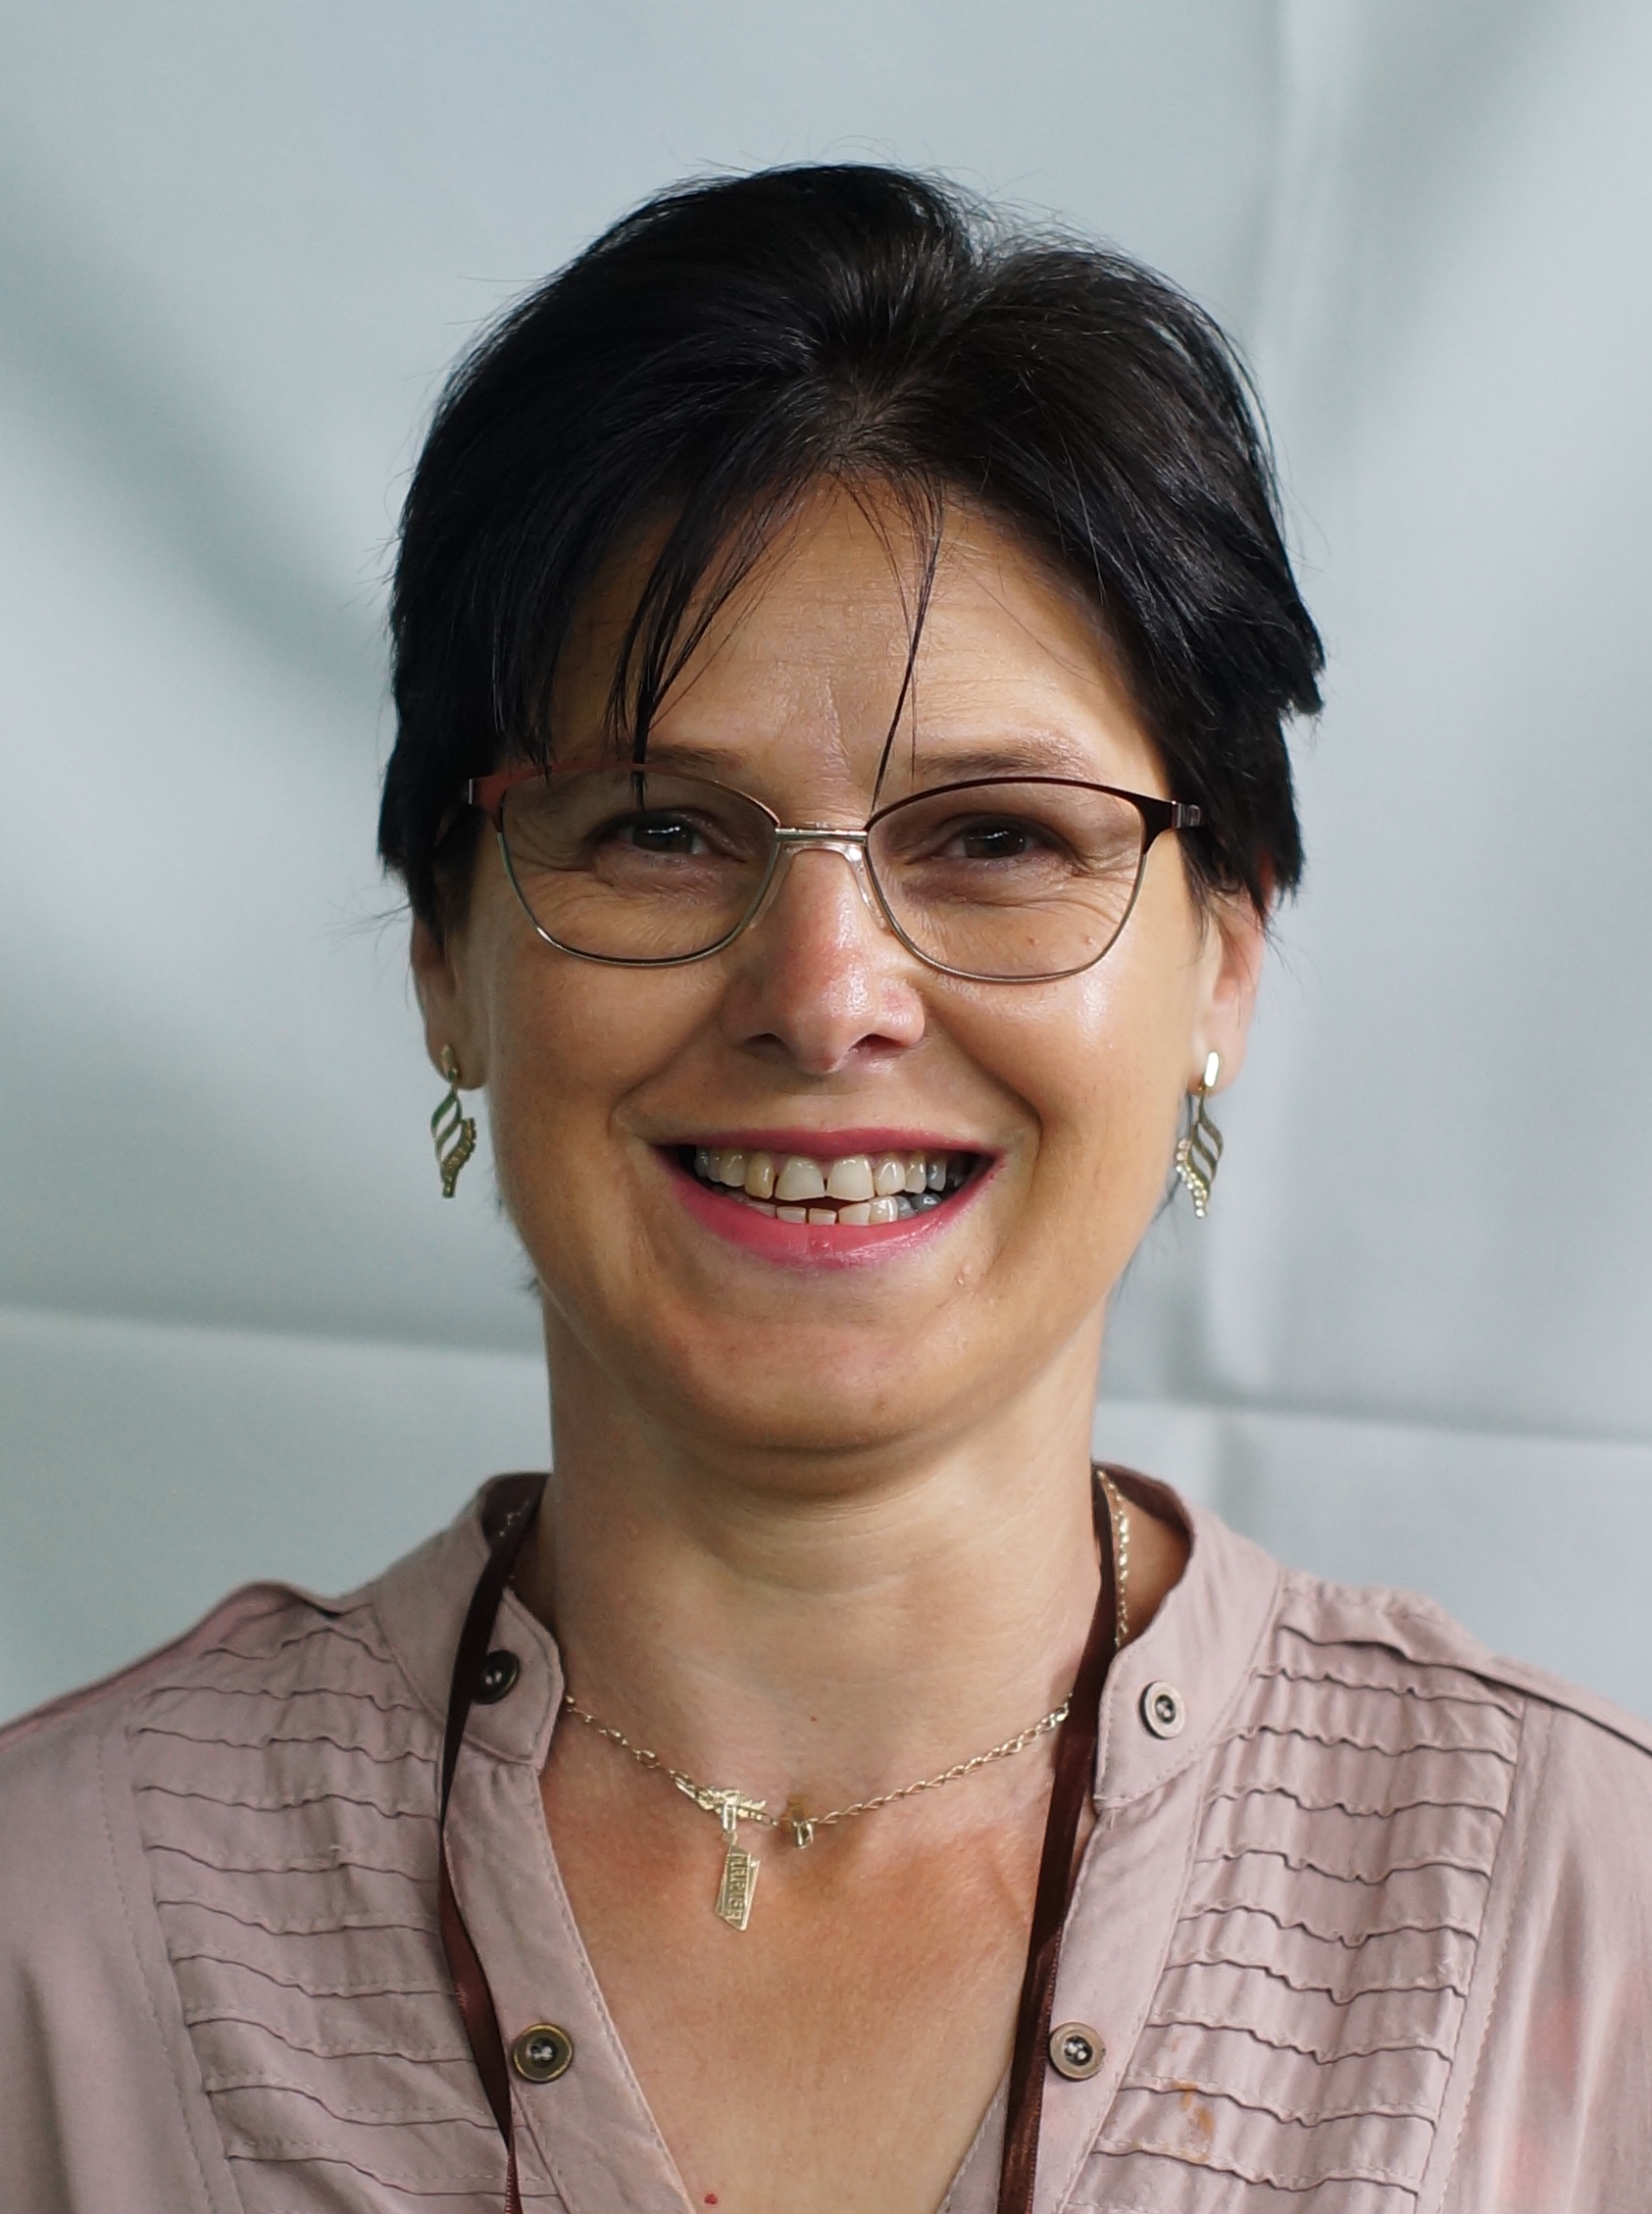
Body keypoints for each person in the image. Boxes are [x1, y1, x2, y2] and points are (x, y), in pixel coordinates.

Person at [2, 163, 1648, 2214]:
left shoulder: (1584, 1915)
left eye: (998, 836)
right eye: (659, 827)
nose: (825, 993)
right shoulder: (54, 1928)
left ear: (1223, 959)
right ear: (445, 954)